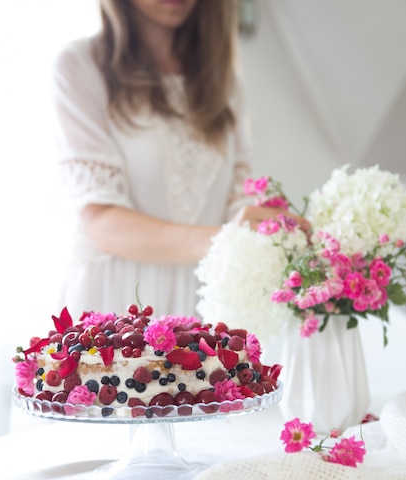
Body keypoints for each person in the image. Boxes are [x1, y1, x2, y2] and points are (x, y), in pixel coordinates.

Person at [52, 0, 310, 320]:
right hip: (115, 305)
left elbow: (237, 194)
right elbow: (100, 222)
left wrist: (274, 230)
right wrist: (226, 238)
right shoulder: (80, 65)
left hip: (200, 302)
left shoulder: (225, 81)